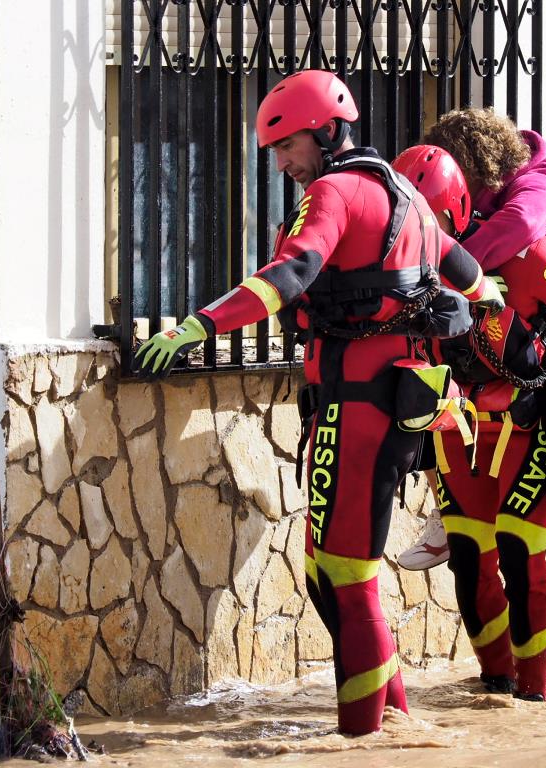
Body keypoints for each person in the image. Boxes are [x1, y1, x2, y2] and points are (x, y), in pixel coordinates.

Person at [132, 70, 503, 735]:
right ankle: (394, 725)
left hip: (360, 405)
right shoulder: (405, 195)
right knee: (325, 568)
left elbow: (292, 272)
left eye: (288, 147)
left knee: (344, 572)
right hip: (392, 401)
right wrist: (487, 296)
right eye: (275, 152)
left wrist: (198, 325)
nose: (281, 164)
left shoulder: (335, 190)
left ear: (328, 133)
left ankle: (359, 740)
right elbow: (461, 266)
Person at [391, 145, 546, 700]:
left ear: (456, 210)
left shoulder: (526, 258)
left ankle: (534, 697)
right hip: (462, 429)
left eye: (428, 225)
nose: (420, 242)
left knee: (520, 549)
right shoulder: (397, 276)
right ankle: (494, 689)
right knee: (470, 558)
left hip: (527, 426)